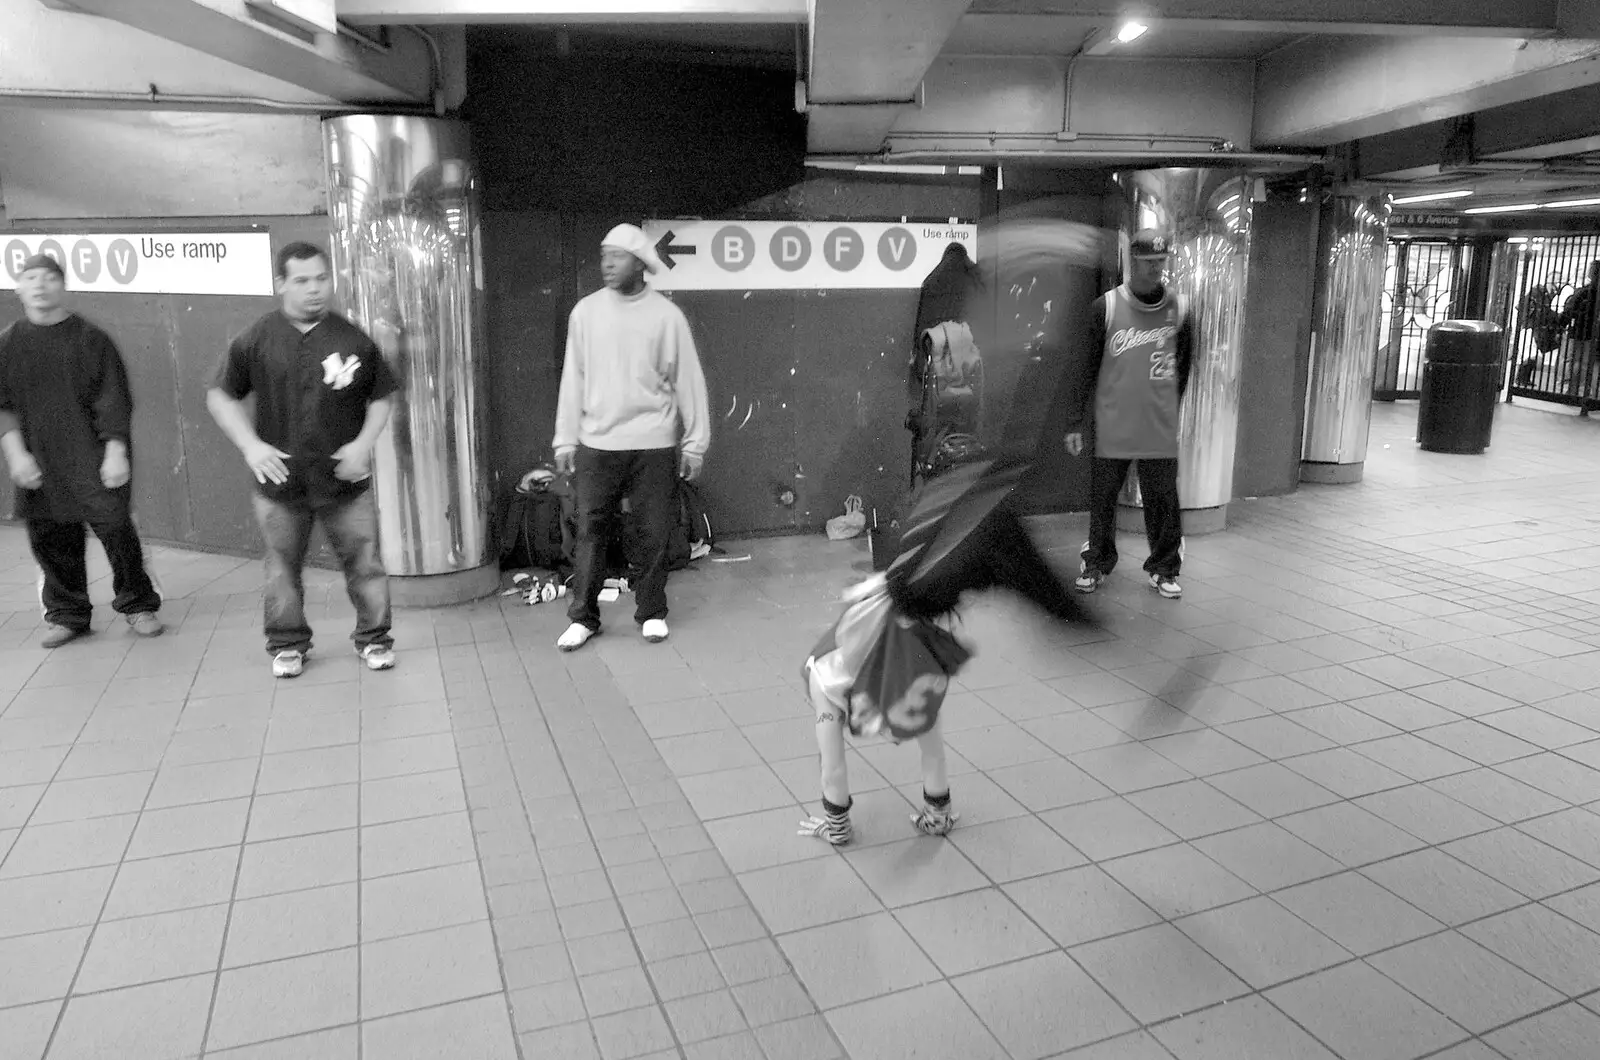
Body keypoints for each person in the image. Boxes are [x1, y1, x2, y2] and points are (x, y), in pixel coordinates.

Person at [799, 450, 1097, 844]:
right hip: (910, 641)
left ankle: (848, 823)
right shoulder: (916, 652)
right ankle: (937, 814)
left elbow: (832, 765)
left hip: (883, 635)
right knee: (928, 728)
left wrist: (835, 825)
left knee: (833, 722)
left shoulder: (820, 678)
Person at [206, 241, 398, 679]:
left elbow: (382, 396)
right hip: (281, 483)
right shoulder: (257, 338)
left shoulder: (352, 339)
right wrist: (250, 446)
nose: (315, 289)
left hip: (344, 482)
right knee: (281, 569)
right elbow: (220, 395)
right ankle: (288, 644)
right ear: (280, 285)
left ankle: (374, 640)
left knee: (365, 563)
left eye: (321, 279)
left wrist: (362, 444)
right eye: (302, 281)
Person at [552, 223, 710, 652]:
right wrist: (565, 439)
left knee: (654, 532)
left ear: (640, 263)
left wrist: (695, 443)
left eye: (617, 256)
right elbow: (573, 379)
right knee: (589, 531)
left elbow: (688, 381)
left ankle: (652, 612)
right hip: (596, 443)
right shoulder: (585, 312)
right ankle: (583, 617)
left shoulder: (666, 316)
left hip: (653, 444)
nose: (606, 263)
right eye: (604, 254)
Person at [0, 254, 164, 648]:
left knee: (117, 530)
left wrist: (115, 451)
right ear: (19, 287)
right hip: (39, 457)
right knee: (51, 538)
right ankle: (68, 614)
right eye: (31, 278)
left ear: (64, 286)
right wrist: (16, 455)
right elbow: (2, 406)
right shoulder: (7, 344)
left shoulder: (90, 340)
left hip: (92, 454)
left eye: (50, 277)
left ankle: (138, 604)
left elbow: (114, 400)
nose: (40, 285)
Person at [1064, 228, 1194, 600]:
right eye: (1149, 262)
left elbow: (1183, 366)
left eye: (1161, 262)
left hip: (1157, 425)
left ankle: (1165, 568)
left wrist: (1169, 405)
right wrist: (1075, 421)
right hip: (1113, 422)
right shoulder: (1105, 307)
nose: (1156, 269)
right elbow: (1083, 368)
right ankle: (1097, 561)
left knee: (1163, 500)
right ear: (1132, 261)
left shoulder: (1180, 309)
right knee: (1103, 498)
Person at [1558, 261, 1599, 400]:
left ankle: (1571, 390)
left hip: (1578, 330)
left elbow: (1569, 311)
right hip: (1594, 333)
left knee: (1573, 360)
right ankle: (1589, 394)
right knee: (1588, 363)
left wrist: (1561, 325)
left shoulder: (1584, 292)